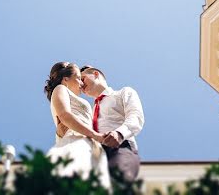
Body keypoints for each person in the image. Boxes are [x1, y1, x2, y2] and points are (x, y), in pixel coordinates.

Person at [44, 62, 112, 190]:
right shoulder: (60, 89)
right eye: (79, 79)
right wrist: (95, 135)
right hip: (77, 140)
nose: (82, 84)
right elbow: (64, 115)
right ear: (65, 79)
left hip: (91, 144)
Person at [80, 65, 144, 183]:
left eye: (82, 79)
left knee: (116, 181)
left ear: (95, 74)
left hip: (120, 148)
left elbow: (136, 117)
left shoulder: (124, 93)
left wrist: (119, 133)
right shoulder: (88, 111)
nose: (81, 85)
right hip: (94, 157)